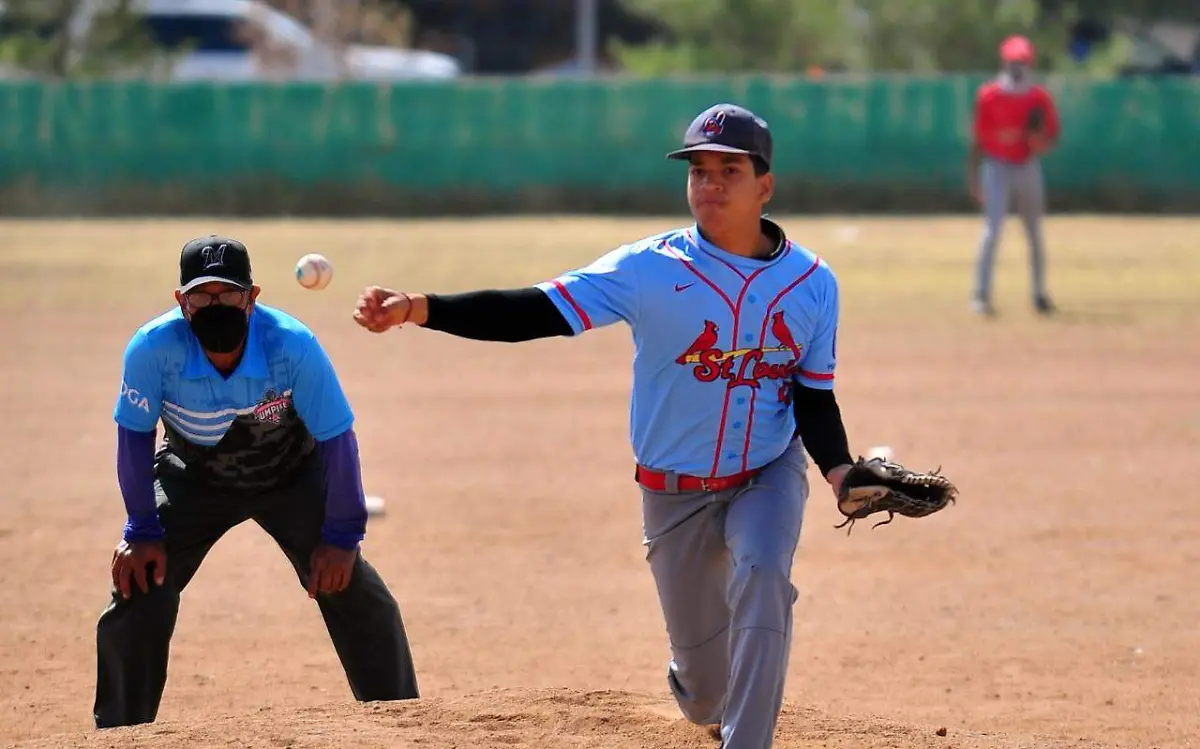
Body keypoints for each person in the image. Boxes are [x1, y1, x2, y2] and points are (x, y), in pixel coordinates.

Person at [352, 104, 856, 749]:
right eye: (699, 170)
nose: (710, 184)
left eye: (729, 169)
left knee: (763, 576)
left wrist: (840, 469)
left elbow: (814, 396)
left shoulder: (812, 284)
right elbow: (535, 310)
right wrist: (422, 309)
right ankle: (701, 690)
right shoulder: (649, 268)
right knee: (705, 691)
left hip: (766, 470)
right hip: (673, 492)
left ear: (765, 185)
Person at [95, 235, 420, 728]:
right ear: (181, 301)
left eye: (228, 294)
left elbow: (337, 440)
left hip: (291, 474)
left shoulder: (292, 346)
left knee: (355, 592)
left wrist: (341, 537)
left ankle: (404, 723)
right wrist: (140, 530)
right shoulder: (151, 349)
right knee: (139, 585)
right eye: (202, 296)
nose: (215, 305)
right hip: (193, 477)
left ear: (253, 297)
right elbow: (133, 440)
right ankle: (119, 734)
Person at [967, 34, 1061, 317]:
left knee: (1033, 232)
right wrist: (973, 177)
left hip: (1026, 165)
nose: (1017, 67)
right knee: (993, 229)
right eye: (1013, 62)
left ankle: (1039, 293)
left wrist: (1037, 138)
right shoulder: (989, 95)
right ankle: (980, 294)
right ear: (1004, 62)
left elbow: (1050, 139)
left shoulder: (1038, 97)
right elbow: (978, 140)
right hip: (996, 166)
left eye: (1021, 62)